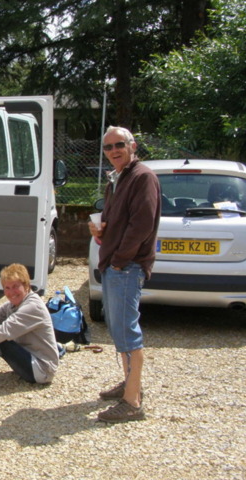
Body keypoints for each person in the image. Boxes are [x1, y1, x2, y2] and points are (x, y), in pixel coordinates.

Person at [88, 126, 160, 423]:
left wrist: (119, 261)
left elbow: (141, 225)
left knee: (128, 333)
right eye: (108, 147)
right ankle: (130, 384)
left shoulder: (143, 177)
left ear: (133, 146)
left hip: (126, 267)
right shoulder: (118, 179)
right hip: (115, 264)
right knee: (118, 331)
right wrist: (99, 228)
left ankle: (132, 403)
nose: (114, 151)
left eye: (119, 145)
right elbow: (115, 219)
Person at [0, 263, 59, 385]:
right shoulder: (13, 304)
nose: (11, 292)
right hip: (27, 357)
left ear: (26, 286)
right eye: (7, 288)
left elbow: (1, 332)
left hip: (42, 370)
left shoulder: (33, 306)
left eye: (15, 286)